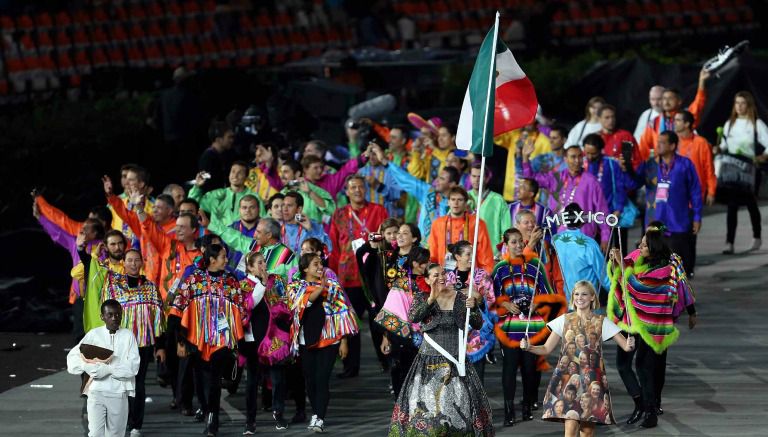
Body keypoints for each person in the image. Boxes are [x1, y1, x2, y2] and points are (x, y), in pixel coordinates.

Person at [389, 263, 494, 436]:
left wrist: (474, 307)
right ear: (427, 279)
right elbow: (413, 317)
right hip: (428, 363)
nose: (441, 277)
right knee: (430, 413)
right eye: (435, 275)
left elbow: (477, 323)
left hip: (456, 362)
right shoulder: (422, 297)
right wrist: (431, 298)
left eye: (443, 273)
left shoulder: (461, 298)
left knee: (460, 409)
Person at [607, 227, 697, 428]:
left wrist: (692, 311)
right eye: (641, 242)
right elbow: (620, 278)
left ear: (654, 247)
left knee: (645, 367)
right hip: (631, 320)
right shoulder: (636, 257)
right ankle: (641, 404)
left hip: (652, 324)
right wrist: (616, 263)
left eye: (644, 244)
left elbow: (639, 288)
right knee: (623, 365)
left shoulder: (666, 269)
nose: (640, 246)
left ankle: (650, 410)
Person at [521, 281, 636, 437]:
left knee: (587, 432)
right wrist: (529, 347)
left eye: (584, 294)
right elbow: (547, 348)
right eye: (576, 294)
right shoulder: (564, 320)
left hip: (592, 382)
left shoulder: (601, 321)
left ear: (592, 298)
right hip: (567, 381)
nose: (579, 298)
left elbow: (626, 347)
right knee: (570, 428)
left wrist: (630, 344)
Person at [77, 248, 165, 436]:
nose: (133, 264)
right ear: (123, 263)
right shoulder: (112, 283)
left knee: (137, 384)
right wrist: (84, 251)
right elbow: (92, 269)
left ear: (142, 263)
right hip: (118, 344)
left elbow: (158, 320)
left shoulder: (150, 287)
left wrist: (161, 346)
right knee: (117, 383)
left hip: (142, 343)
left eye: (137, 260)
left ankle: (135, 424)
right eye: (130, 260)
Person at [492, 228, 567, 426]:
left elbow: (548, 294)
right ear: (505, 245)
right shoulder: (500, 268)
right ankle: (509, 412)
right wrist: (505, 303)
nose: (517, 246)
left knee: (529, 369)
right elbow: (492, 297)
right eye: (513, 242)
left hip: (532, 327)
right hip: (509, 328)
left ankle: (526, 407)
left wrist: (538, 303)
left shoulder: (535, 265)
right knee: (509, 369)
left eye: (519, 242)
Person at [171, 244, 244, 436]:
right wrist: (181, 340)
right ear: (212, 259)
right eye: (222, 257)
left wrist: (237, 341)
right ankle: (206, 409)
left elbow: (240, 311)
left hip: (222, 340)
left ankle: (213, 420)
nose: (226, 260)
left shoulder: (231, 281)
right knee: (201, 380)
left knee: (213, 381)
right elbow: (178, 307)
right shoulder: (194, 280)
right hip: (197, 340)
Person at [287, 253, 359, 433]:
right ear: (305, 269)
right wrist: (321, 287)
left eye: (321, 264)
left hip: (330, 340)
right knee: (310, 380)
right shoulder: (295, 286)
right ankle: (315, 413)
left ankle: (319, 417)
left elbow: (343, 312)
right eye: (315, 264)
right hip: (306, 341)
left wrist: (343, 341)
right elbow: (303, 304)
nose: (320, 267)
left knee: (322, 379)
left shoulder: (333, 286)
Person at [328, 175, 388, 378]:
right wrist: (333, 278)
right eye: (352, 187)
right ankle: (350, 367)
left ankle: (386, 362)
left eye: (360, 187)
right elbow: (334, 247)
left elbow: (387, 239)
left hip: (372, 275)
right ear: (346, 191)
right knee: (350, 324)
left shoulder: (378, 211)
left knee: (378, 321)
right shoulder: (339, 215)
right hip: (347, 277)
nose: (357, 190)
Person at [623, 131, 703, 275]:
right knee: (652, 268)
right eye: (657, 141)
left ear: (672, 146)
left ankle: (679, 294)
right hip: (654, 222)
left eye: (662, 142)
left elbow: (695, 192)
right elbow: (633, 183)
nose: (657, 145)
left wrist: (697, 217)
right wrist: (627, 168)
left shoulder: (685, 164)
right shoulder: (650, 165)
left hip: (678, 222)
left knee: (679, 268)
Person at [67, 299, 140, 437]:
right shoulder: (94, 335)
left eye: (118, 314)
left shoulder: (128, 336)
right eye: (110, 315)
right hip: (96, 392)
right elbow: (72, 358)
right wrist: (86, 366)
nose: (114, 318)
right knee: (95, 434)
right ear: (102, 317)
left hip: (118, 393)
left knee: (115, 434)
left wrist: (109, 369)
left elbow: (133, 367)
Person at [239, 252, 293, 433]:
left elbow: (286, 303)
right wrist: (262, 284)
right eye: (259, 263)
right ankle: (250, 420)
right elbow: (249, 305)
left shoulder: (275, 280)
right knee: (252, 382)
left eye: (264, 262)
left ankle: (279, 414)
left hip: (274, 338)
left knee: (278, 379)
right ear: (250, 268)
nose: (264, 266)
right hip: (253, 341)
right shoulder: (244, 285)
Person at [522, 144, 611, 251]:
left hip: (583, 237)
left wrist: (605, 237)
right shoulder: (555, 178)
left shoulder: (591, 181)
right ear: (565, 159)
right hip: (558, 236)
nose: (577, 160)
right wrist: (525, 158)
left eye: (580, 156)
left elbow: (602, 210)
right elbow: (531, 179)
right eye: (573, 157)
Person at [374, 247, 430, 397]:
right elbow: (391, 312)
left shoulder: (430, 282)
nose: (428, 264)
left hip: (428, 336)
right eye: (426, 262)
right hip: (403, 338)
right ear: (417, 264)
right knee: (402, 375)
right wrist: (386, 337)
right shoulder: (402, 284)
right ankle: (402, 412)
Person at [717, 90, 767, 253]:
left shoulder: (756, 124)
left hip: (749, 169)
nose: (739, 106)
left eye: (742, 103)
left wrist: (762, 157)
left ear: (749, 105)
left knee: (751, 203)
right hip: (731, 168)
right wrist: (718, 148)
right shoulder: (729, 124)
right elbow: (725, 146)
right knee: (732, 205)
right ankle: (729, 243)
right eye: (736, 103)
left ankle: (757, 237)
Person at [380, 147, 459, 241]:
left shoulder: (457, 203)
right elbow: (406, 179)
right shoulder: (428, 192)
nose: (437, 181)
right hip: (423, 248)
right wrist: (386, 162)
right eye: (438, 177)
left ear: (452, 184)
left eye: (442, 179)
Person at [444, 241, 496, 382]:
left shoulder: (482, 276)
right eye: (468, 254)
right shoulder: (447, 278)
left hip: (476, 337)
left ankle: (477, 404)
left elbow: (492, 303)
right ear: (457, 256)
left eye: (473, 253)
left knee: (476, 380)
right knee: (455, 381)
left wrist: (479, 299)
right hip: (454, 336)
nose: (472, 257)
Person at [639, 70, 709, 160]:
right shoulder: (654, 122)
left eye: (670, 98)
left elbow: (698, 104)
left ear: (679, 101)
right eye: (664, 99)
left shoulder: (685, 118)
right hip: (661, 168)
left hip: (683, 165)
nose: (666, 102)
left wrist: (701, 83)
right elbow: (643, 148)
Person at [552, 203, 611, 303]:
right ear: (582, 221)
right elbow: (603, 276)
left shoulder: (554, 240)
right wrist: (618, 293)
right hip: (584, 302)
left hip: (561, 300)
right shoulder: (590, 244)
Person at [428, 186, 495, 273]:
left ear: (466, 203)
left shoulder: (477, 223)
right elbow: (433, 253)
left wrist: (482, 277)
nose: (456, 203)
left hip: (470, 277)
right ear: (448, 202)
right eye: (453, 199)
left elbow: (485, 254)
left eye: (460, 200)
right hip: (444, 276)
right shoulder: (438, 223)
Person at [582, 133, 630, 250]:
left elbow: (620, 187)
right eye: (587, 152)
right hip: (586, 217)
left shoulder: (611, 164)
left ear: (600, 150)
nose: (590, 156)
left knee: (608, 251)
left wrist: (618, 209)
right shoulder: (581, 164)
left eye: (593, 153)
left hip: (608, 214)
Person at [189, 161, 266, 223]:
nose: (235, 175)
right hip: (219, 239)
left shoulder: (254, 197)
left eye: (240, 173)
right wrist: (197, 186)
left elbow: (264, 221)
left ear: (246, 177)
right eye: (233, 172)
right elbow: (191, 204)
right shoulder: (217, 194)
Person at [495, 121, 553, 201]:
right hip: (511, 192)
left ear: (536, 121)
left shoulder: (544, 141)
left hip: (531, 196)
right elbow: (496, 137)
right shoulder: (514, 135)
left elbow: (548, 168)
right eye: (526, 119)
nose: (528, 122)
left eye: (531, 119)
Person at [467, 162, 511, 256]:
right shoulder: (463, 198)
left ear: (487, 178)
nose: (476, 180)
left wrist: (501, 252)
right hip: (466, 253)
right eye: (474, 176)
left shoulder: (498, 200)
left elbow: (507, 230)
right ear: (469, 177)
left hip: (491, 253)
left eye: (480, 176)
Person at [278, 160, 335, 224]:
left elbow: (331, 211)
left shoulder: (314, 190)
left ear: (297, 174)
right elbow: (275, 217)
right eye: (281, 172)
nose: (281, 176)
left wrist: (310, 193)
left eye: (285, 172)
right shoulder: (282, 194)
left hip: (312, 233)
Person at [597, 105, 643, 169]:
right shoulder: (595, 138)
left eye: (612, 117)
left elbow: (636, 161)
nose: (611, 120)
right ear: (599, 119)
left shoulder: (625, 136)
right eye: (607, 117)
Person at [197, 120, 235, 193]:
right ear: (219, 140)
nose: (232, 140)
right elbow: (205, 178)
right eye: (229, 137)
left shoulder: (226, 155)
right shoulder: (207, 157)